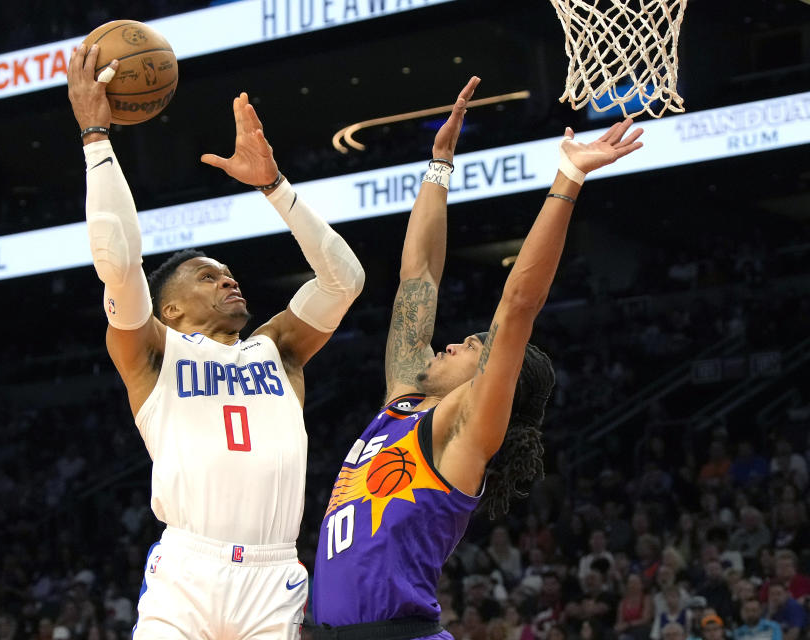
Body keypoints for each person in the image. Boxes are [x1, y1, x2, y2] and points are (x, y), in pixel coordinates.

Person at [310, 76, 644, 639]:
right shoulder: (405, 403)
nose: (460, 340)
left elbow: (516, 306)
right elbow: (419, 273)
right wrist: (439, 165)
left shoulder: (463, 431)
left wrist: (569, 176)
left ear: (497, 384)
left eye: (477, 348)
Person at [66, 44, 365, 639]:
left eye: (228, 273)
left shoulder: (276, 348)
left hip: (273, 573)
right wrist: (96, 137)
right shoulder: (153, 353)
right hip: (187, 570)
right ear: (169, 307)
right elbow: (120, 263)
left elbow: (345, 280)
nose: (228, 279)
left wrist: (275, 186)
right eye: (207, 275)